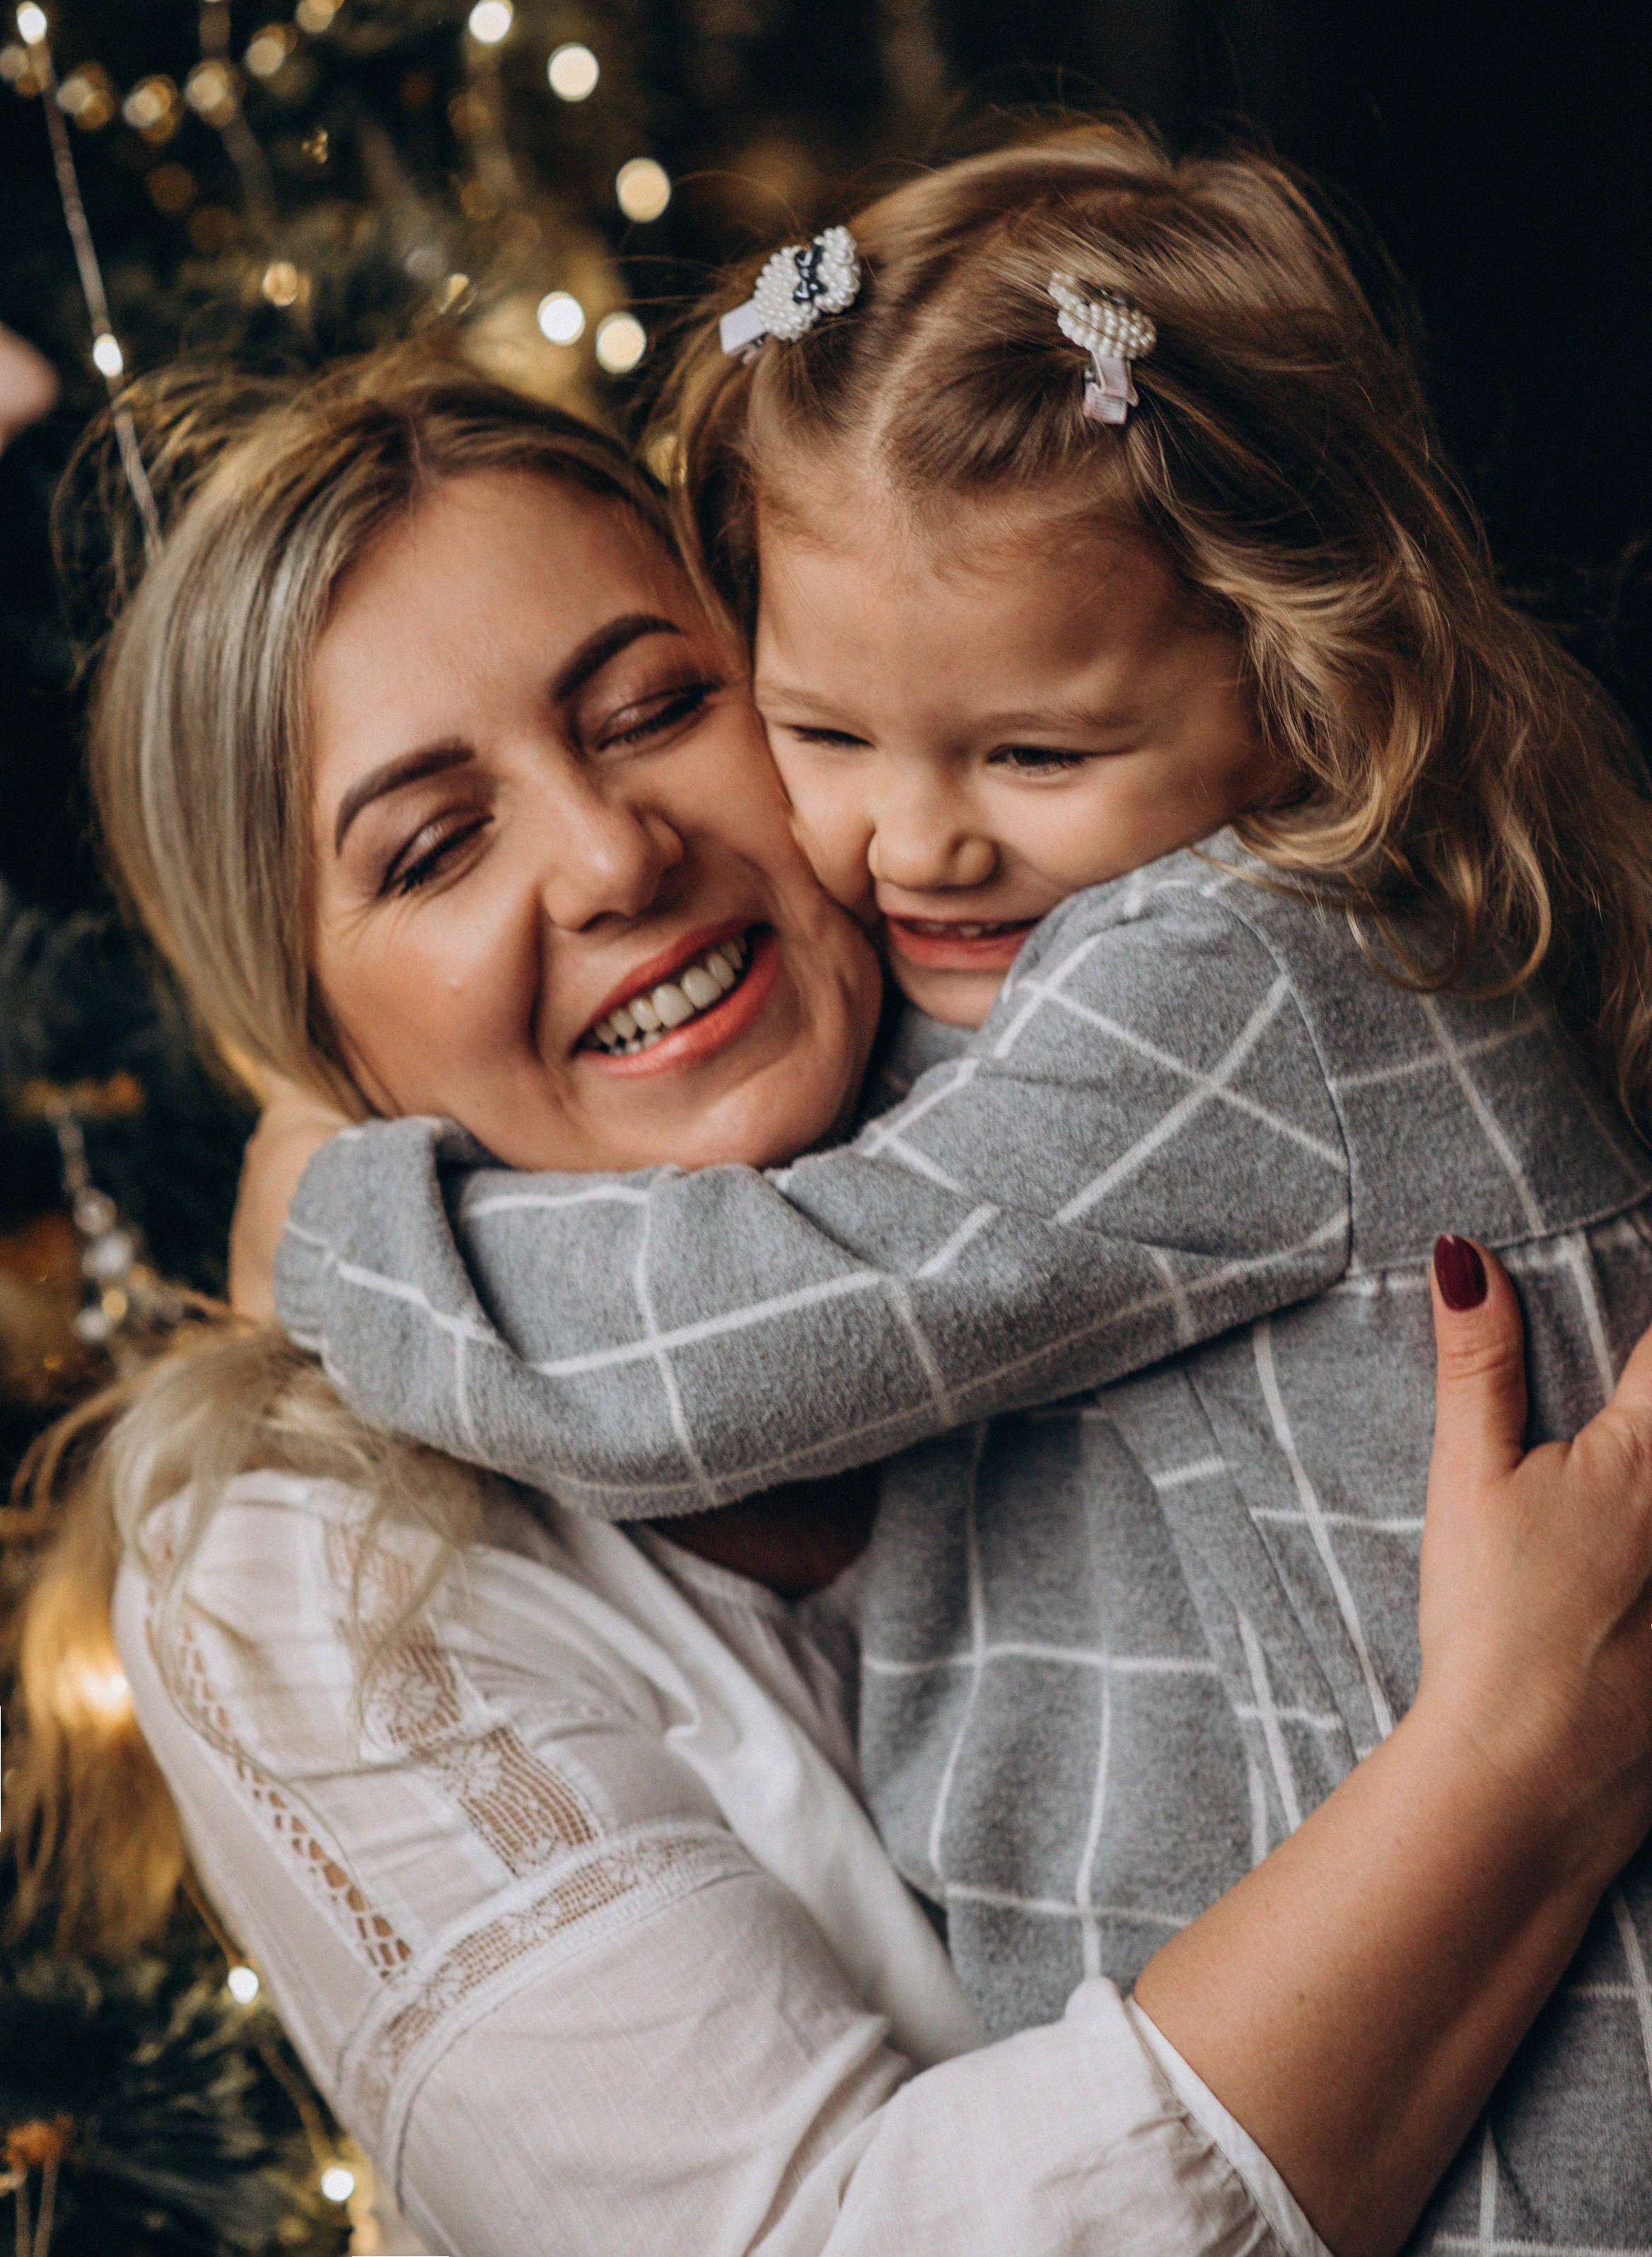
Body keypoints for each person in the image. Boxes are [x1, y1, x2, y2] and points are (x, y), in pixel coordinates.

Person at [37, 356, 1652, 2257]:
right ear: (309, 1025)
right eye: (433, 844)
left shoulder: (1106, 1029)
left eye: (658, 708)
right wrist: (1516, 1764)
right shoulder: (302, 1565)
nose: (617, 851)